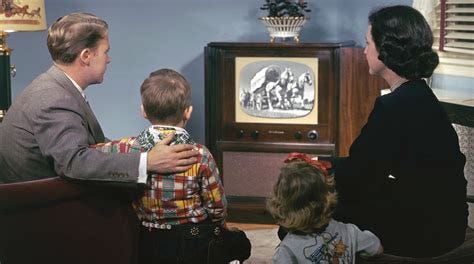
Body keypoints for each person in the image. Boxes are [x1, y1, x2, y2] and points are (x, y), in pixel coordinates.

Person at [321, 5, 468, 257]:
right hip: (449, 223)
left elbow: (360, 174)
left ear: (386, 50)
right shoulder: (422, 95)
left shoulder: (393, 105)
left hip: (425, 233)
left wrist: (318, 165)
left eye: (368, 43)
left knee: (307, 217)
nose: (364, 50)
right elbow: (373, 170)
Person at [0, 12, 198, 184]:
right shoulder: (53, 98)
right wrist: (148, 161)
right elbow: (74, 163)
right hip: (50, 211)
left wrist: (145, 149)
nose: (109, 58)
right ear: (86, 56)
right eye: (106, 52)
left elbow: (93, 144)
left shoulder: (57, 87)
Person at [92, 68, 251, 264]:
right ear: (188, 111)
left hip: (147, 241)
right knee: (241, 244)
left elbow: (88, 154)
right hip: (194, 242)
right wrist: (220, 224)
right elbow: (216, 206)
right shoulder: (199, 154)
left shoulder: (125, 148)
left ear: (143, 111)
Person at [268, 152, 383, 264]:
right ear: (328, 198)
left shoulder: (287, 250)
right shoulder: (349, 231)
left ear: (280, 205)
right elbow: (376, 248)